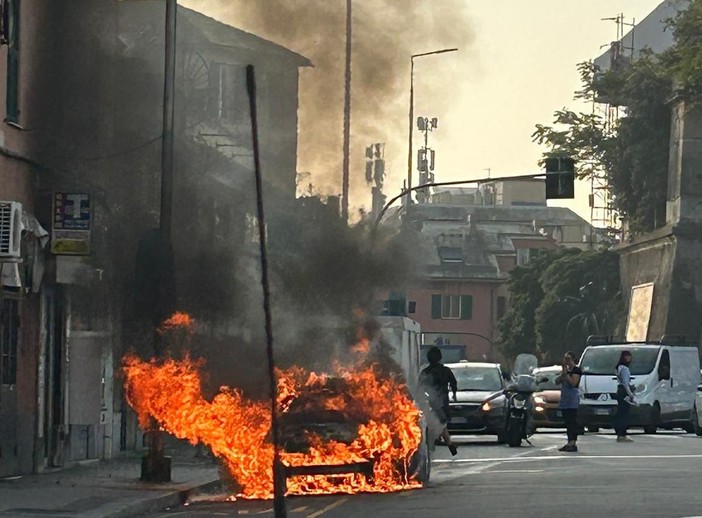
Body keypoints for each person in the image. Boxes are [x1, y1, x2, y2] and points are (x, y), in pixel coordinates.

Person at [419, 346, 458, 455]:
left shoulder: (425, 372)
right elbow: (453, 383)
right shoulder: (445, 371)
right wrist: (454, 394)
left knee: (436, 422)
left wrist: (422, 398)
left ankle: (442, 442)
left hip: (429, 402)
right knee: (441, 422)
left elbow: (419, 387)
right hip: (442, 401)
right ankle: (447, 443)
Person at [555, 351, 582, 452]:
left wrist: (566, 375)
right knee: (567, 422)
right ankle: (569, 441)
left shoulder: (576, 370)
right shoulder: (565, 371)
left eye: (568, 359)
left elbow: (573, 383)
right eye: (565, 359)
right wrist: (563, 373)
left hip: (572, 400)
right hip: (565, 399)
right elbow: (557, 381)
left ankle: (573, 442)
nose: (567, 361)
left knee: (572, 422)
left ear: (573, 359)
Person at [615, 350, 635, 443]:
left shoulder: (619, 367)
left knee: (620, 413)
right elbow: (625, 383)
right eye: (627, 356)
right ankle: (622, 434)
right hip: (624, 391)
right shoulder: (625, 369)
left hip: (619, 390)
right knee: (624, 414)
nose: (629, 358)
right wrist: (630, 394)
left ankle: (620, 433)